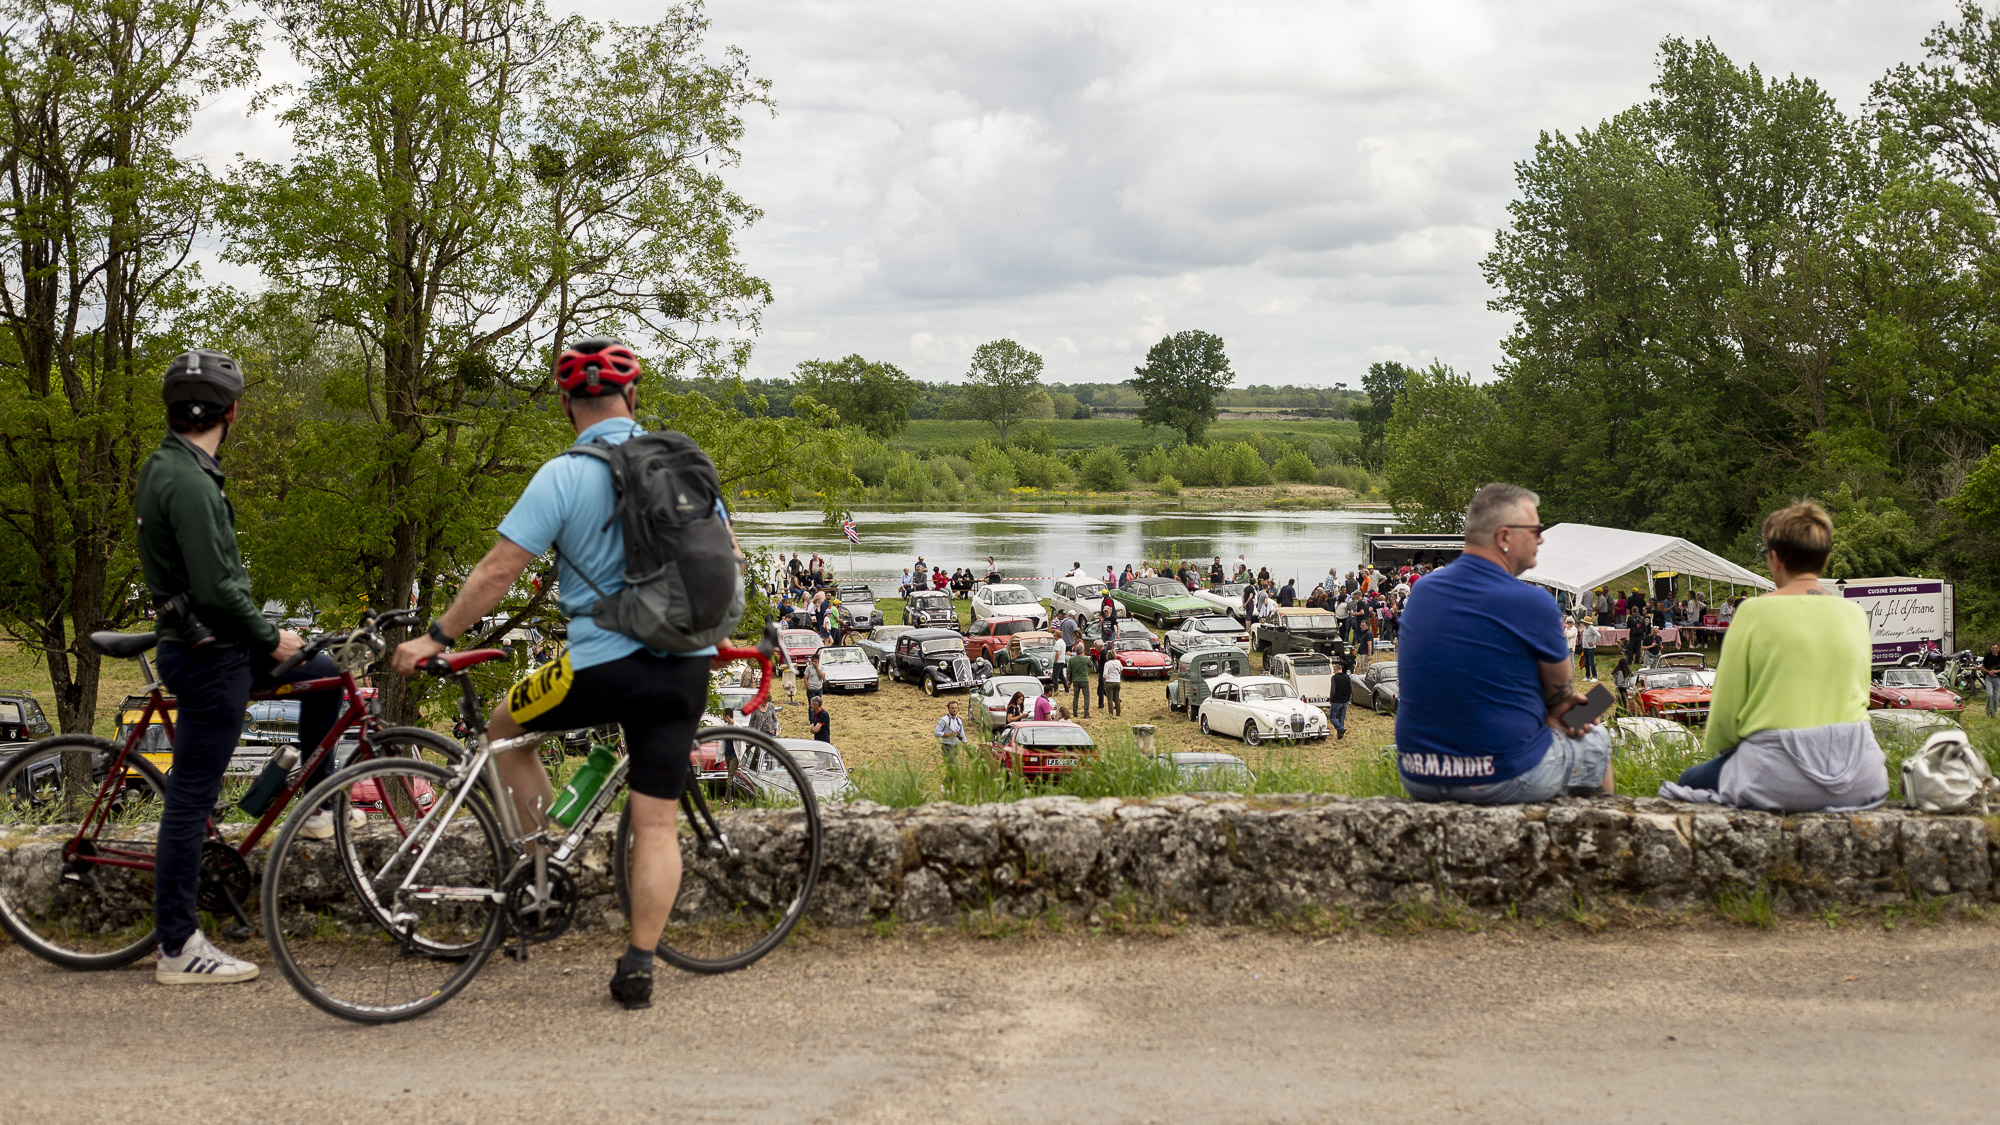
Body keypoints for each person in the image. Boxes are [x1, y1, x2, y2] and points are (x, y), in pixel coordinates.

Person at [392, 338, 744, 1011]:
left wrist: (438, 635)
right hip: (683, 669)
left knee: (503, 729)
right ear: (633, 399)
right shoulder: (683, 465)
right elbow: (721, 557)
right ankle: (638, 966)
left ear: (566, 405)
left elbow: (500, 568)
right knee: (657, 823)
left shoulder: (562, 474)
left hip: (599, 667)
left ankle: (542, 858)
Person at [136, 349, 347, 986]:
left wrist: (268, 636)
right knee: (189, 801)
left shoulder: (166, 465)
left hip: (213, 642)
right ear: (231, 412)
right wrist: (269, 636)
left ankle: (313, 798)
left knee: (328, 673)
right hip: (211, 653)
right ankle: (177, 947)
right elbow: (217, 588)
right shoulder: (193, 483)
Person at [1395, 483, 1611, 805]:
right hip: (1500, 776)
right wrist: (1557, 711)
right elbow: (1561, 704)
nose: (1541, 537)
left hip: (1419, 773)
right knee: (1595, 737)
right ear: (1505, 537)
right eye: (1536, 528)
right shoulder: (1532, 602)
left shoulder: (1423, 592)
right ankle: (1601, 846)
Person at [1662, 502, 1887, 811]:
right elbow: (1862, 693)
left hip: (1776, 775)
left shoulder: (1754, 612)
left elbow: (1725, 718)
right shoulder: (1854, 614)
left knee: (1689, 779)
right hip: (1860, 774)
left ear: (1775, 558)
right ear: (1824, 559)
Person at [1328, 660, 1351, 740]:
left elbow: (1333, 690)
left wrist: (1331, 699)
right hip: (1345, 701)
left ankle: (1340, 729)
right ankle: (1340, 735)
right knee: (1341, 717)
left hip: (1336, 700)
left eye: (1334, 671)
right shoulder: (1347, 677)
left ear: (1335, 670)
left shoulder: (1334, 678)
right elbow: (1350, 690)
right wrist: (1347, 699)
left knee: (1332, 717)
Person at [1067, 647, 1093, 717]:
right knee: (1086, 696)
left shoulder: (1072, 659)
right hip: (1084, 680)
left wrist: (1068, 680)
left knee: (1076, 697)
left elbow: (1068, 671)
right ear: (1082, 651)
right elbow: (1091, 665)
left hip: (1075, 680)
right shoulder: (1085, 658)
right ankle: (1086, 713)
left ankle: (1075, 713)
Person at [1101, 652, 1124, 716]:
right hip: (1117, 681)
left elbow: (1105, 674)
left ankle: (1111, 713)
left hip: (1109, 682)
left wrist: (1104, 681)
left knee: (1110, 699)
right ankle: (1118, 713)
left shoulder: (1107, 664)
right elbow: (1121, 668)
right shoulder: (1118, 662)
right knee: (1116, 698)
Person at [1578, 616, 1600, 680]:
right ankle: (1587, 676)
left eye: (1584, 622)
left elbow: (1598, 635)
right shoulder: (1585, 628)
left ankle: (1594, 676)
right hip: (1585, 647)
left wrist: (1594, 643)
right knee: (1586, 662)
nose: (1583, 623)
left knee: (1591, 662)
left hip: (1590, 648)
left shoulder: (1591, 628)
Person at [1984, 643, 2000, 718]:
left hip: (1998, 678)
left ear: (1998, 649)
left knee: (1996, 697)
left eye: (1995, 648)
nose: (1994, 650)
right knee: (1989, 694)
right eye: (1993, 648)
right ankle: (1988, 711)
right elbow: (1982, 667)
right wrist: (1989, 672)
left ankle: (1994, 713)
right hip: (1989, 678)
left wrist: (1996, 671)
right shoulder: (1987, 656)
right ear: (1991, 649)